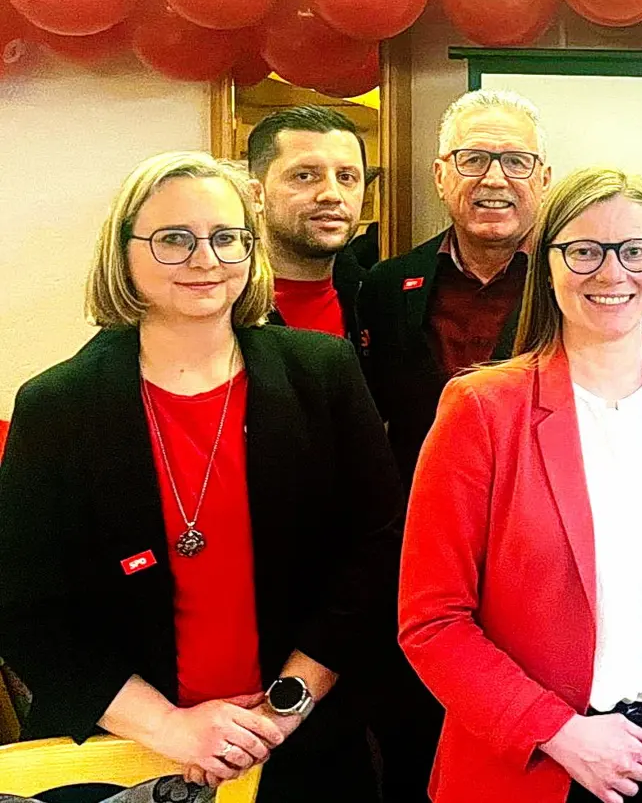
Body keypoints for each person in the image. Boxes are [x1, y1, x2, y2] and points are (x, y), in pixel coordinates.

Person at [0, 152, 404, 801]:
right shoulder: (58, 406)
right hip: (127, 754)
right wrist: (172, 728)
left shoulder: (323, 372)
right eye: (174, 239)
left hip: (303, 747)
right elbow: (25, 609)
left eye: (226, 237)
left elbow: (378, 550)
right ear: (123, 253)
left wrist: (283, 708)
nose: (205, 259)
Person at [398, 167, 642, 803]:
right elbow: (432, 620)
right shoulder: (480, 409)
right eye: (584, 251)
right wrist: (557, 731)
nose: (612, 273)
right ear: (546, 265)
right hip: (527, 767)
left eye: (634, 250)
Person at [359, 88, 551, 484]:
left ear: (544, 179)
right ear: (440, 176)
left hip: (536, 502)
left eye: (516, 161)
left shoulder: (574, 281)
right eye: (473, 159)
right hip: (421, 503)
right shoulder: (388, 285)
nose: (494, 179)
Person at [247, 105, 368, 344]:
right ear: (257, 195)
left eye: (346, 177)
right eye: (305, 176)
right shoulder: (221, 303)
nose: (332, 194)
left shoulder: (382, 300)